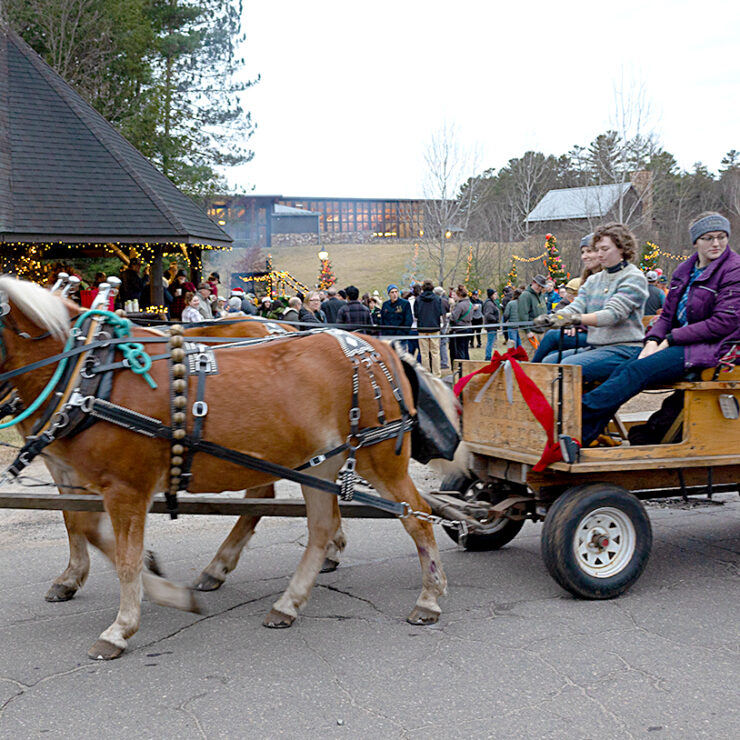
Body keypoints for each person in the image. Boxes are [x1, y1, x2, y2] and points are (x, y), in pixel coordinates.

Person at [578, 212, 740, 446]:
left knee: (637, 371)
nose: (716, 243)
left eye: (721, 237)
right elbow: (667, 314)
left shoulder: (733, 270)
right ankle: (584, 434)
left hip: (715, 348)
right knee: (627, 367)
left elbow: (724, 323)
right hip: (680, 342)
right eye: (708, 238)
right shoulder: (685, 270)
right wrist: (653, 339)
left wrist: (672, 338)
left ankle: (580, 418)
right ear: (696, 241)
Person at [533, 222, 648, 382]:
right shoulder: (594, 280)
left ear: (622, 248)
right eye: (598, 249)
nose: (599, 254)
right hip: (596, 346)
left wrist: (575, 319)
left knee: (568, 366)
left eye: (605, 249)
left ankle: (572, 406)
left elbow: (612, 315)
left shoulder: (633, 277)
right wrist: (554, 318)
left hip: (624, 349)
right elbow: (576, 306)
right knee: (548, 363)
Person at [414, 279, 443, 375]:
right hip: (434, 328)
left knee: (424, 353)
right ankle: (437, 374)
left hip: (422, 328)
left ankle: (426, 375)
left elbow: (416, 314)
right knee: (435, 353)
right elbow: (440, 312)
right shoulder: (437, 299)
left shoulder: (418, 299)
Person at [517, 275, 548, 359]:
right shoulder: (525, 296)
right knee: (530, 355)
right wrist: (527, 331)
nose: (540, 288)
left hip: (540, 330)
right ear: (533, 283)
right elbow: (523, 315)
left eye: (542, 286)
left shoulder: (541, 295)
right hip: (530, 331)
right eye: (538, 285)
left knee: (540, 356)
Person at [449, 284, 472, 363]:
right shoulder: (470, 304)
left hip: (460, 329)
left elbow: (453, 318)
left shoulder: (460, 305)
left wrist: (450, 316)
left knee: (460, 350)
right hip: (468, 328)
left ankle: (462, 367)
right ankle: (467, 366)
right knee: (465, 350)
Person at [482, 288, 500, 360]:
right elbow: (488, 315)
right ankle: (488, 356)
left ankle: (489, 355)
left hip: (493, 325)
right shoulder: (489, 304)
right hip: (491, 325)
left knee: (491, 341)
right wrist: (495, 319)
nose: (496, 296)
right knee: (490, 341)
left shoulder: (492, 302)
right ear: (491, 295)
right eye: (495, 294)